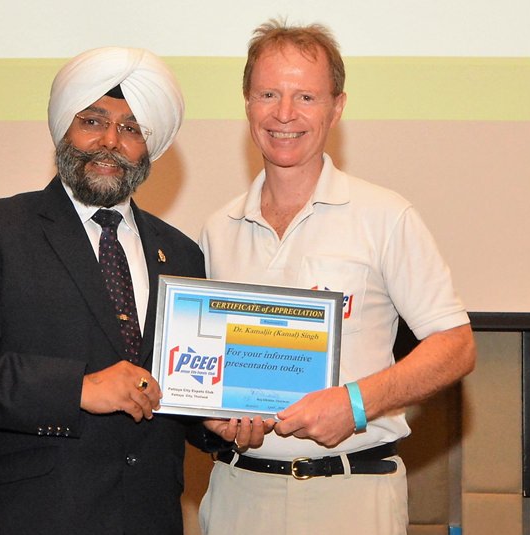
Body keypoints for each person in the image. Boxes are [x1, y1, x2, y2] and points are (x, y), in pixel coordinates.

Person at [0, 47, 209, 535]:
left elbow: (180, 390)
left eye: (132, 129)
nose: (110, 141)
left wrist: (218, 425)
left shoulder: (181, 253)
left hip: (147, 518)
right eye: (92, 121)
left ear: (148, 148)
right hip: (27, 518)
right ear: (63, 129)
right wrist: (77, 388)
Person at [198, 20, 477, 535]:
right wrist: (215, 418)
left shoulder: (385, 216)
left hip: (350, 494)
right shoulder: (218, 229)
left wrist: (356, 403)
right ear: (247, 103)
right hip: (238, 494)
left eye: (306, 96)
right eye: (268, 94)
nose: (284, 113)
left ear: (337, 107)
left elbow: (456, 346)